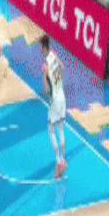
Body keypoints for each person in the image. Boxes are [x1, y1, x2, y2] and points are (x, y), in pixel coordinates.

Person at [40, 35, 67, 179]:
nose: (40, 50)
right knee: (61, 129)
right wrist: (58, 81)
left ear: (44, 47)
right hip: (62, 95)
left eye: (40, 47)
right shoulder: (54, 55)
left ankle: (59, 162)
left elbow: (46, 90)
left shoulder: (45, 64)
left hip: (55, 99)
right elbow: (62, 68)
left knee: (51, 130)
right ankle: (64, 159)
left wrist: (44, 75)